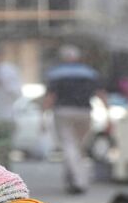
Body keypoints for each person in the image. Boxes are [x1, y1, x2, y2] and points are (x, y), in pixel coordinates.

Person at [44, 45, 106, 194]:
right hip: (84, 112)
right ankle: (73, 178)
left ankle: (79, 181)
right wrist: (107, 113)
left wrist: (43, 115)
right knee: (78, 148)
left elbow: (50, 97)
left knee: (69, 147)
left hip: (63, 112)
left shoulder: (56, 74)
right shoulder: (89, 73)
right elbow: (101, 93)